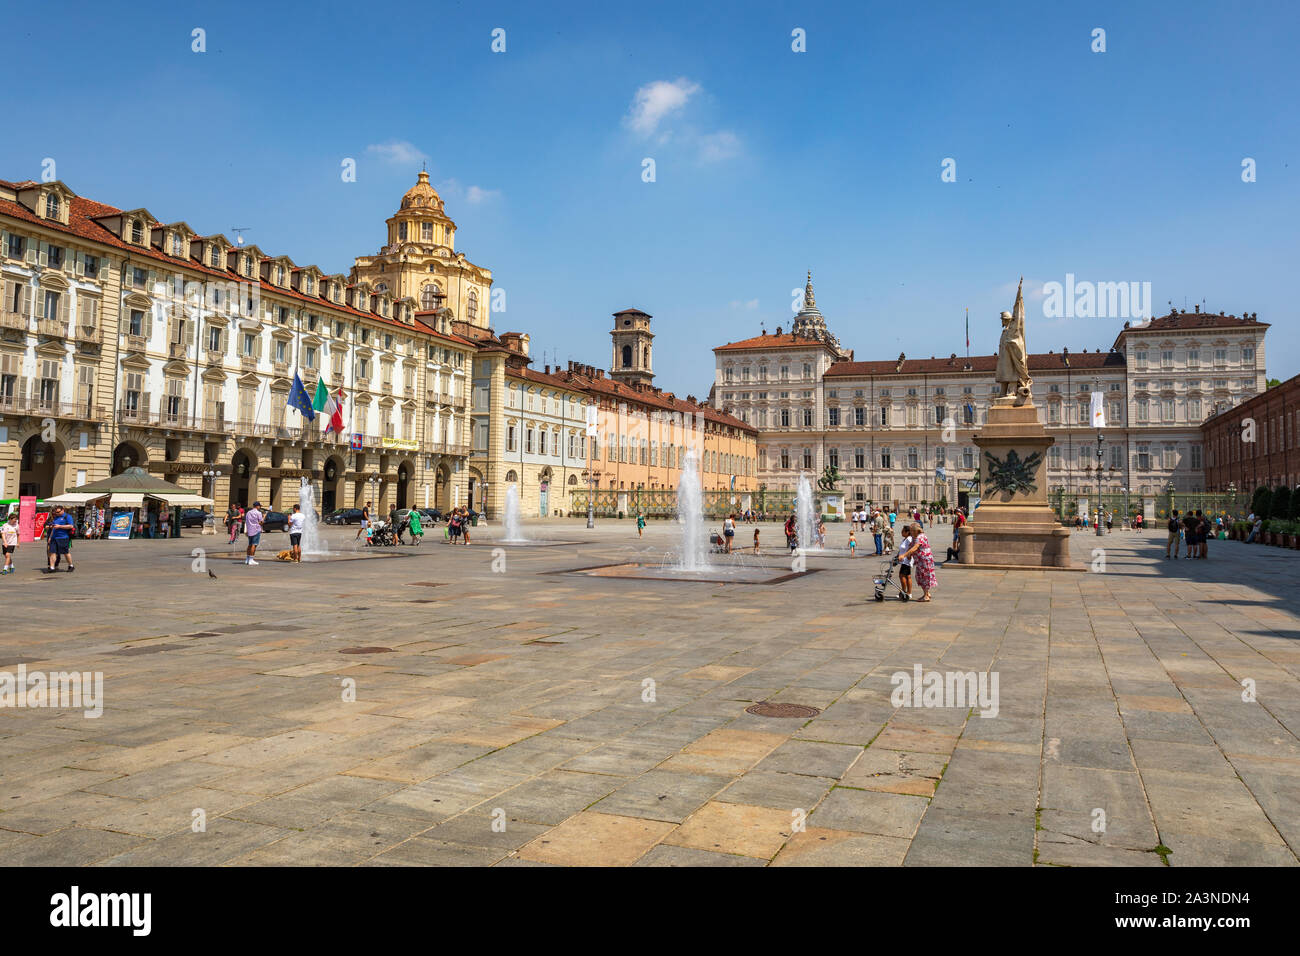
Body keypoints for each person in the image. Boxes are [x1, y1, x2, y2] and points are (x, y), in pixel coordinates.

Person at [900, 523, 936, 602]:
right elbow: (911, 545)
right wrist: (909, 554)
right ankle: (927, 593)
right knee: (919, 576)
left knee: (924, 576)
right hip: (920, 560)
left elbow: (915, 547)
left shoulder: (920, 537)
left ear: (916, 531)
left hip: (925, 560)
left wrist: (904, 555)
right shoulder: (914, 536)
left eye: (912, 531)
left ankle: (926, 595)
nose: (910, 533)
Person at [45, 505, 76, 573]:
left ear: (63, 510)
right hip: (54, 538)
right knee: (52, 552)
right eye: (56, 512)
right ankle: (52, 567)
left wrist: (60, 526)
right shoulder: (55, 517)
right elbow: (53, 528)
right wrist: (50, 537)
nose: (57, 513)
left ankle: (71, 565)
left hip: (63, 537)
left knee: (65, 553)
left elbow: (71, 526)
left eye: (58, 512)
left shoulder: (67, 517)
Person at [896, 525, 914, 598]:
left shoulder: (909, 539)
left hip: (906, 560)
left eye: (903, 531)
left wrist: (909, 556)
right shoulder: (905, 539)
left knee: (902, 575)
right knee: (907, 576)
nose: (901, 532)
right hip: (903, 560)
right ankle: (907, 592)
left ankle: (905, 592)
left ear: (907, 532)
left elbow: (912, 548)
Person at [244, 501, 264, 566]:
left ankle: (247, 559)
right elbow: (261, 522)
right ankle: (251, 560)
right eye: (260, 506)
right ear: (257, 506)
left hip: (249, 530)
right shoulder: (258, 513)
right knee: (254, 545)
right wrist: (264, 518)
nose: (260, 507)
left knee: (249, 544)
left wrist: (247, 529)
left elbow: (246, 521)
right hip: (256, 529)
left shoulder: (248, 513)